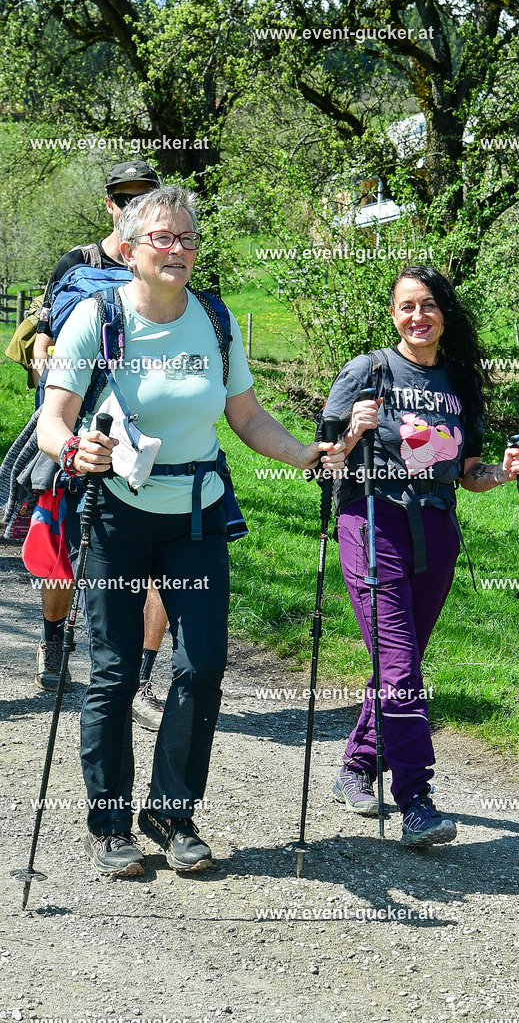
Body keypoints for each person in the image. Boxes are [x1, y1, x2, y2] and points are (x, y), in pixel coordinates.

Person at [37, 184, 345, 877]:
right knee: (115, 672)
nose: (176, 250)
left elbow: (246, 416)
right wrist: (71, 450)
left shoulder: (213, 318)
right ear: (132, 246)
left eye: (186, 239)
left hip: (196, 514)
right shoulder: (97, 316)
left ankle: (171, 811)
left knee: (201, 666)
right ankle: (110, 823)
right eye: (162, 238)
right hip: (113, 510)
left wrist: (302, 454)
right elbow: (55, 414)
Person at [323, 265, 519, 847]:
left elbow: (468, 473)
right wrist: (347, 436)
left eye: (429, 305)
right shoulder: (367, 372)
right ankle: (416, 798)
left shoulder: (460, 383)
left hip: (436, 530)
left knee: (403, 658)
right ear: (392, 313)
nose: (418, 316)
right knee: (399, 664)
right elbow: (323, 462)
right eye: (406, 306)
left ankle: (358, 765)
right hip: (372, 523)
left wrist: (505, 472)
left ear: (445, 313)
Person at [33, 160, 168, 733]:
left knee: (161, 560)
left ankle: (141, 675)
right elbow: (43, 333)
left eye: (145, 195)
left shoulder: (170, 265)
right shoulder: (78, 263)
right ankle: (54, 638)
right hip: (80, 426)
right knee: (63, 555)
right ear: (109, 202)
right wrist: (51, 375)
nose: (133, 203)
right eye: (124, 196)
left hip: (151, 434)